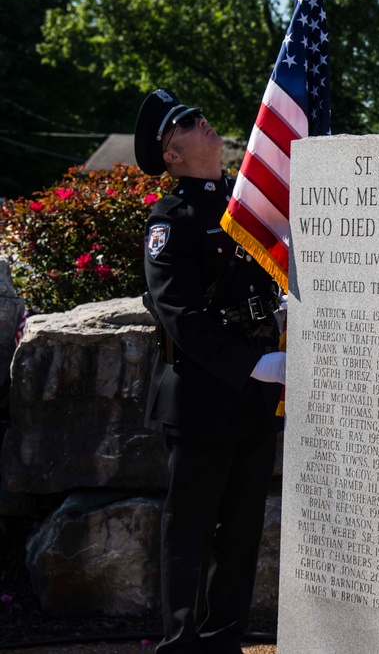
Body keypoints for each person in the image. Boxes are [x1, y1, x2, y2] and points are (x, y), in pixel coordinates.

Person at [134, 89, 286, 654]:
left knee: (242, 532)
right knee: (190, 531)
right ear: (171, 154)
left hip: (252, 400)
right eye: (189, 125)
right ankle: (181, 642)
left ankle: (225, 640)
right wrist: (254, 363)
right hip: (200, 397)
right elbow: (180, 315)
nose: (205, 124)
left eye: (199, 117)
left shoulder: (247, 210)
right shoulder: (171, 221)